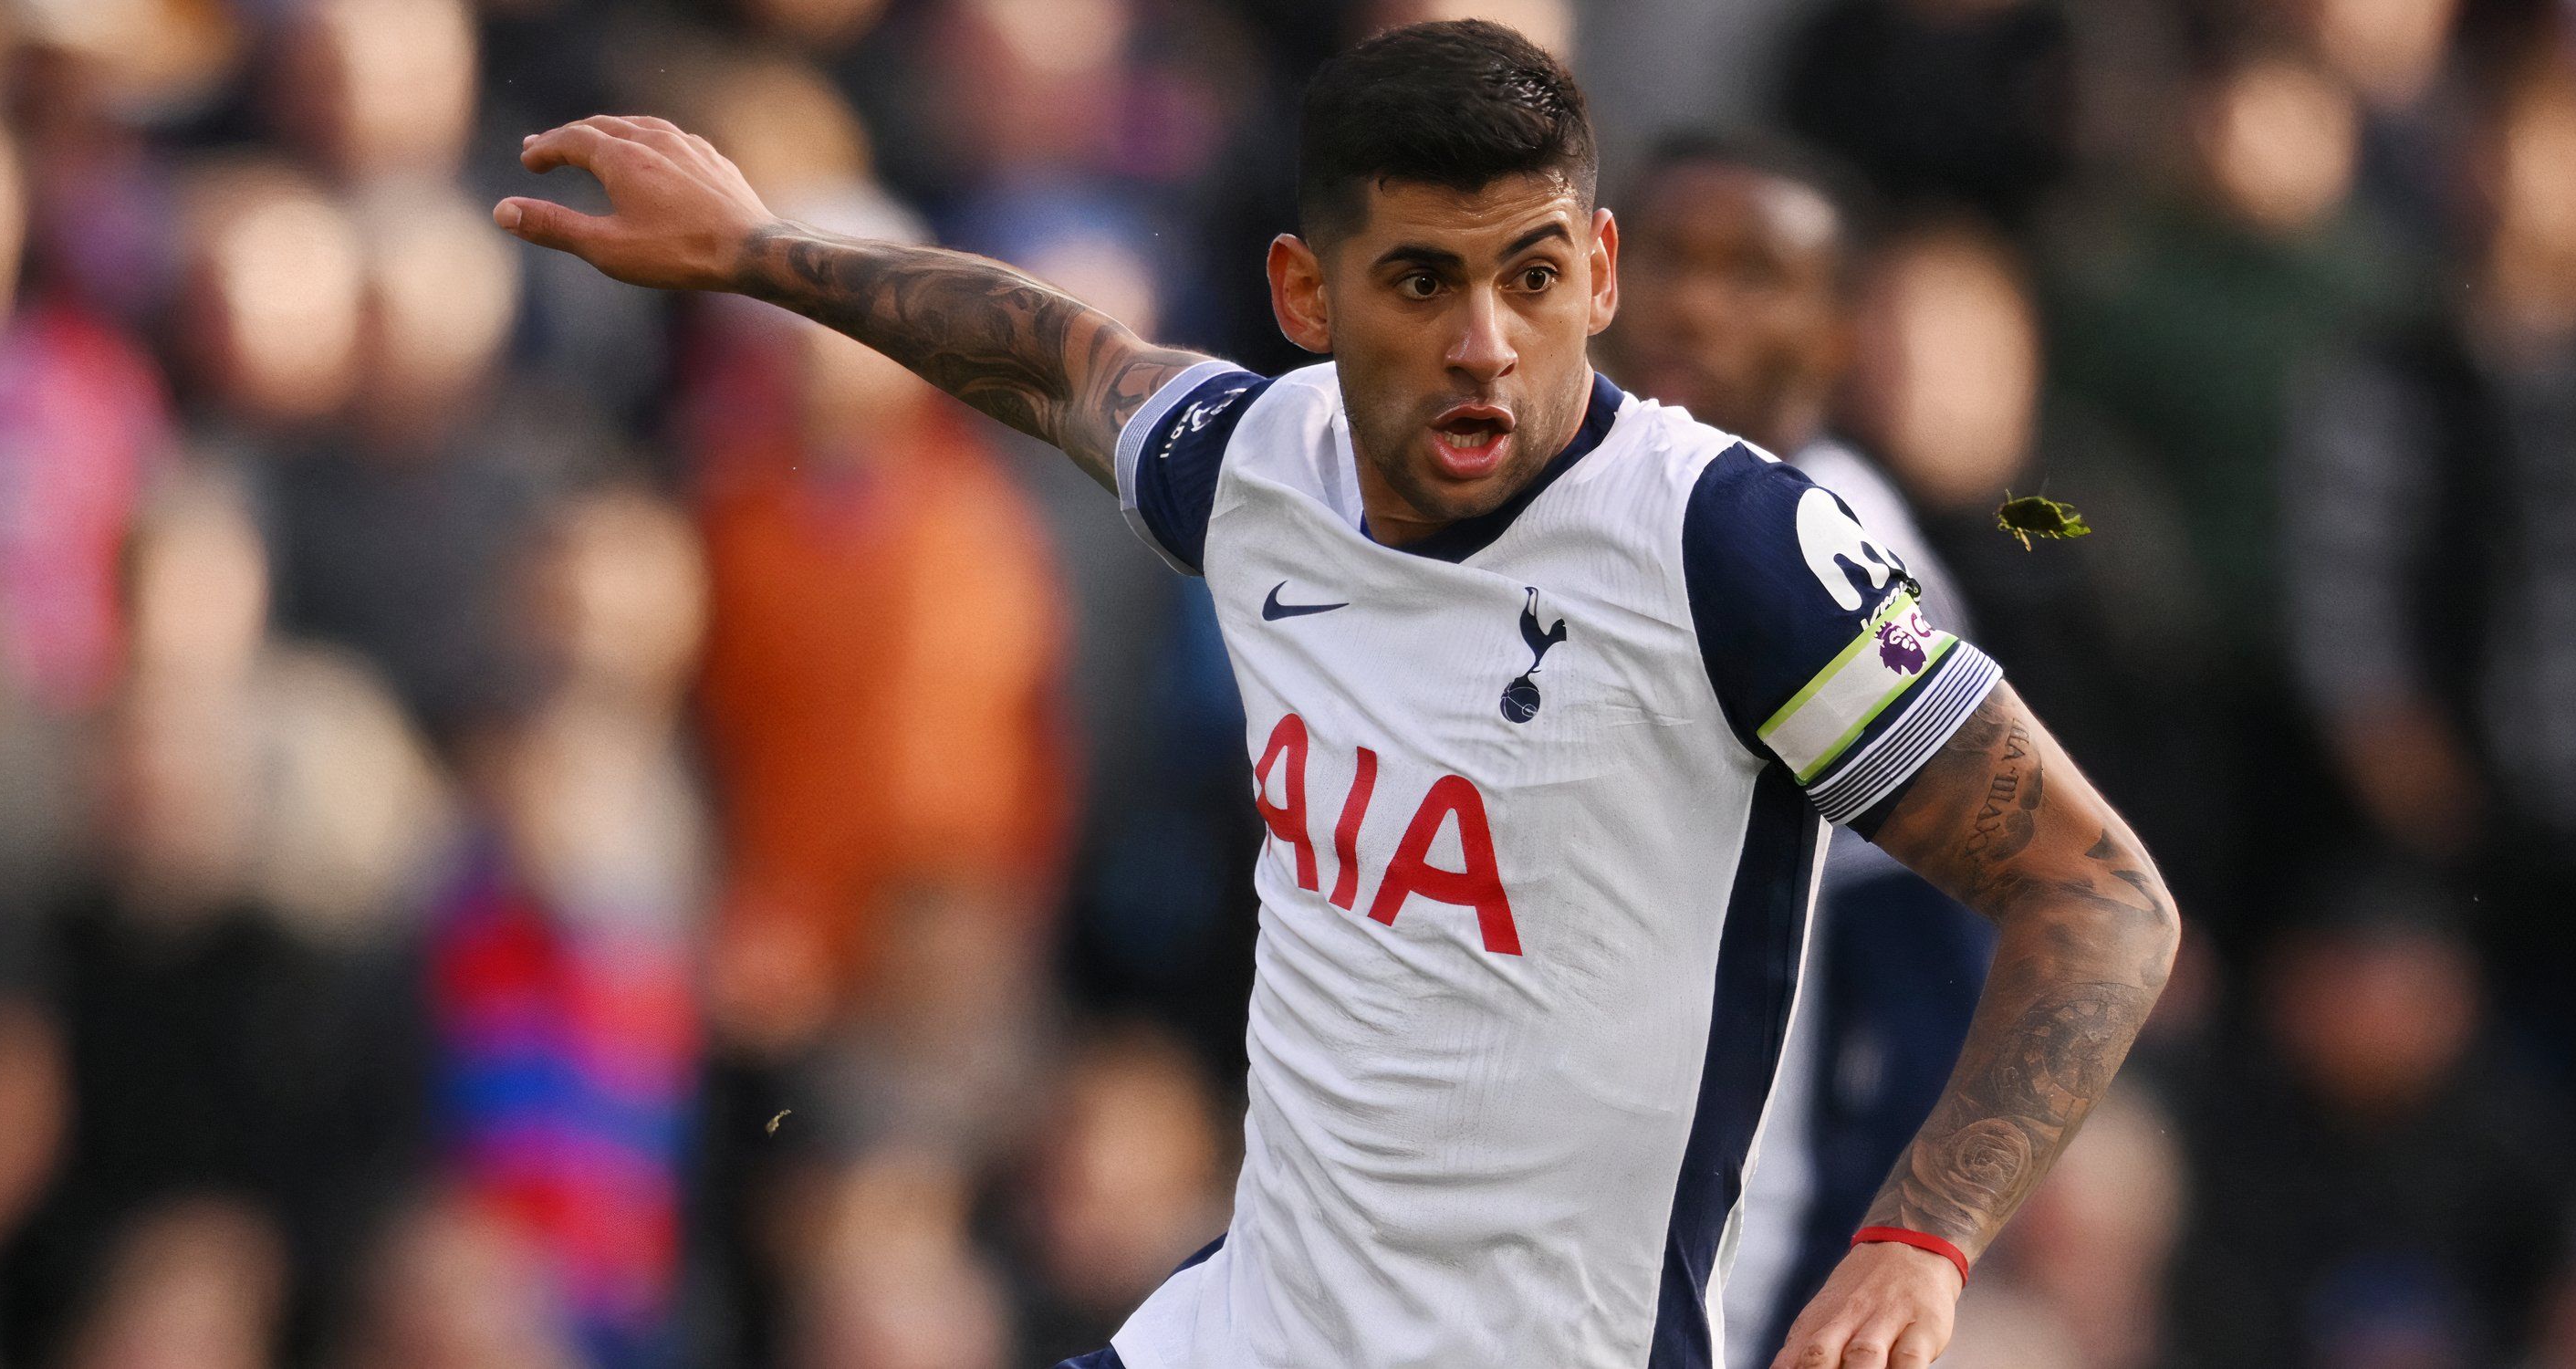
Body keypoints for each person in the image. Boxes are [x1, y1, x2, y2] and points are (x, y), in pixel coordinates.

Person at [492, 20, 2182, 1368]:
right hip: (1248, 1330)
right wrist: (756, 250)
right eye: (1422, 283)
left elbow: (2101, 901)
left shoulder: (1735, 550)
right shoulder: (1260, 462)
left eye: (1530, 277)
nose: (1486, 345)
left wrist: (1920, 1239)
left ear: (1599, 272)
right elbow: (1050, 355)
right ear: (1307, 295)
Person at [1601, 130, 1997, 1368]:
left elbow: (1925, 979)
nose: (1694, 304)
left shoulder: (1848, 561)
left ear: (1838, 333)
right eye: (1668, 258)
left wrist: (1849, 1271)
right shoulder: (1548, 501)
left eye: (1753, 272)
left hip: (1709, 1263)